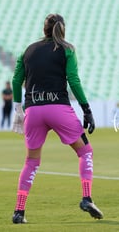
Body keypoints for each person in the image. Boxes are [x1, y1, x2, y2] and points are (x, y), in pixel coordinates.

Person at [11, 13, 103, 224]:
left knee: (31, 162)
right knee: (85, 151)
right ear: (62, 28)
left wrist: (18, 107)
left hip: (33, 110)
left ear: (44, 29)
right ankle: (86, 198)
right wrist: (86, 109)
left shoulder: (27, 51)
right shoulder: (67, 49)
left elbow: (16, 80)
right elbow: (73, 80)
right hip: (58, 108)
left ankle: (19, 212)